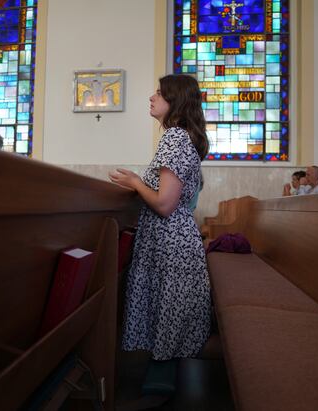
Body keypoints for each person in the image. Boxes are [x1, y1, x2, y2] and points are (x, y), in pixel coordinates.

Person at [109, 74, 212, 389]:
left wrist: (135, 183)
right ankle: (161, 387)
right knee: (167, 313)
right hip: (171, 240)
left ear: (175, 100)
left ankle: (160, 390)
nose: (152, 97)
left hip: (171, 241)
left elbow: (165, 204)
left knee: (168, 314)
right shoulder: (182, 137)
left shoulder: (176, 137)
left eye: (159, 93)